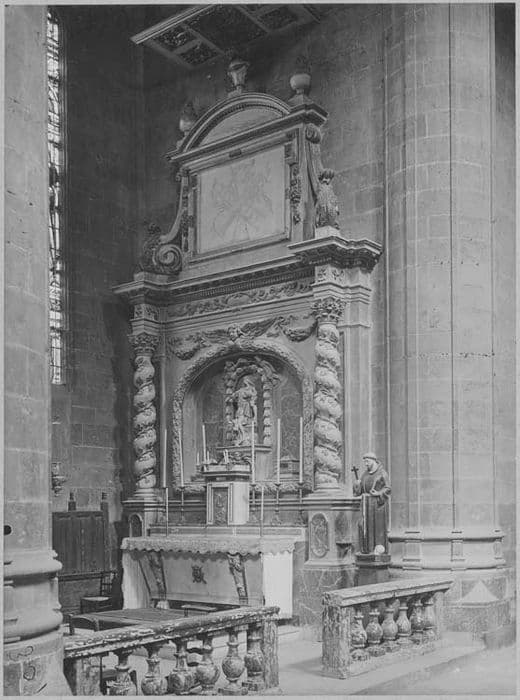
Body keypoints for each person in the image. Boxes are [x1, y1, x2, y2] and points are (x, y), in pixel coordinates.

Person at [353, 452, 391, 555]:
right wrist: (357, 485)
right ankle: (367, 549)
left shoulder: (382, 473)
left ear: (374, 461)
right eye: (365, 462)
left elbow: (388, 488)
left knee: (377, 527)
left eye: (367, 461)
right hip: (366, 504)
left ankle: (378, 550)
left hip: (378, 505)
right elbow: (359, 491)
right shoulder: (365, 474)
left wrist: (378, 493)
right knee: (364, 526)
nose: (366, 464)